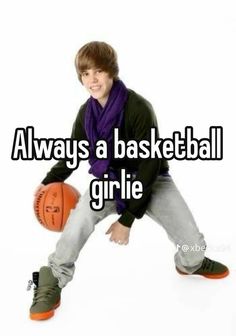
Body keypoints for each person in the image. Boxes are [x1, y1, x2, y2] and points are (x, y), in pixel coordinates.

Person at [28, 41, 229, 321]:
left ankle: (191, 264)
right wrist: (49, 181)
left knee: (193, 245)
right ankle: (53, 276)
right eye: (86, 74)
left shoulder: (138, 107)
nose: (93, 80)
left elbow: (149, 166)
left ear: (112, 73)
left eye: (99, 72)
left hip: (151, 178)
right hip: (109, 181)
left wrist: (127, 220)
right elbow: (74, 152)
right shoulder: (86, 114)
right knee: (77, 223)